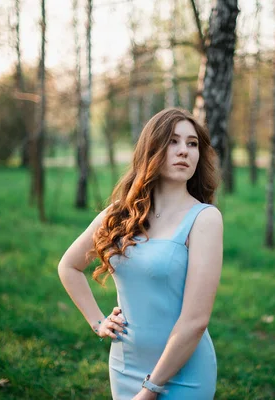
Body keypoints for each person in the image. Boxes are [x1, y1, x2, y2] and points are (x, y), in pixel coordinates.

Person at [58, 108, 223, 399]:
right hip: (125, 366)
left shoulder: (204, 219)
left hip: (184, 373)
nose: (184, 151)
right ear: (151, 149)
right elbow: (69, 267)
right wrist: (98, 322)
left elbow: (196, 321)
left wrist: (150, 389)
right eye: (173, 141)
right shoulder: (119, 215)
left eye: (192, 143)